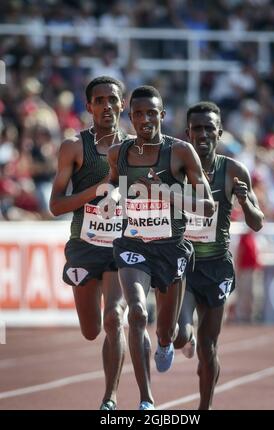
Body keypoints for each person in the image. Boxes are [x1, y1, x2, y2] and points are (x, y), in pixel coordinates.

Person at [103, 86, 215, 410]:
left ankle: (167, 341)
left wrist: (165, 193)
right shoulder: (118, 153)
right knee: (136, 312)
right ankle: (146, 400)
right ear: (130, 117)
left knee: (168, 331)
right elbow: (113, 182)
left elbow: (207, 206)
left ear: (162, 115)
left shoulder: (180, 152)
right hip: (133, 243)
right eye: (138, 114)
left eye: (151, 113)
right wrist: (111, 197)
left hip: (171, 248)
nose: (144, 119)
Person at [174, 101, 264, 410]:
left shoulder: (234, 170)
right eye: (196, 128)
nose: (203, 134)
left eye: (209, 128)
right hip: (183, 265)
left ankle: (204, 408)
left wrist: (244, 201)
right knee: (178, 336)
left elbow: (257, 222)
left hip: (216, 268)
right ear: (188, 133)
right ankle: (183, 337)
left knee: (208, 348)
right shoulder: (176, 169)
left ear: (219, 132)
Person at [50, 76, 131, 410]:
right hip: (85, 246)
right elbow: (56, 205)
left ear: (122, 104)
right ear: (89, 106)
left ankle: (109, 398)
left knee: (114, 318)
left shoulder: (136, 149)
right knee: (91, 329)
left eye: (113, 99)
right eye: (100, 100)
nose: (107, 106)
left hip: (121, 247)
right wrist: (95, 192)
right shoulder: (73, 146)